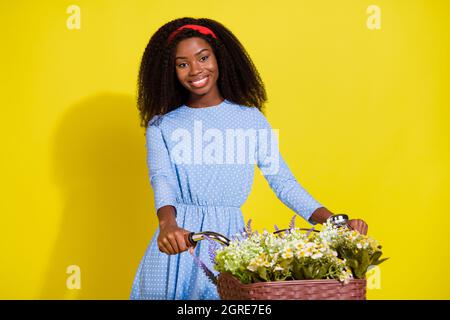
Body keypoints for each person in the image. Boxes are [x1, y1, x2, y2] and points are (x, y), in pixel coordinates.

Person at [130, 17, 368, 300]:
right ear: (171, 71)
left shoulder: (249, 119)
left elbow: (283, 182)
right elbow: (162, 178)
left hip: (233, 247)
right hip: (180, 241)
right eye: (182, 64)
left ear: (219, 58)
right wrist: (168, 225)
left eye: (203, 57)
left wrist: (334, 221)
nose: (195, 70)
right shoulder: (163, 125)